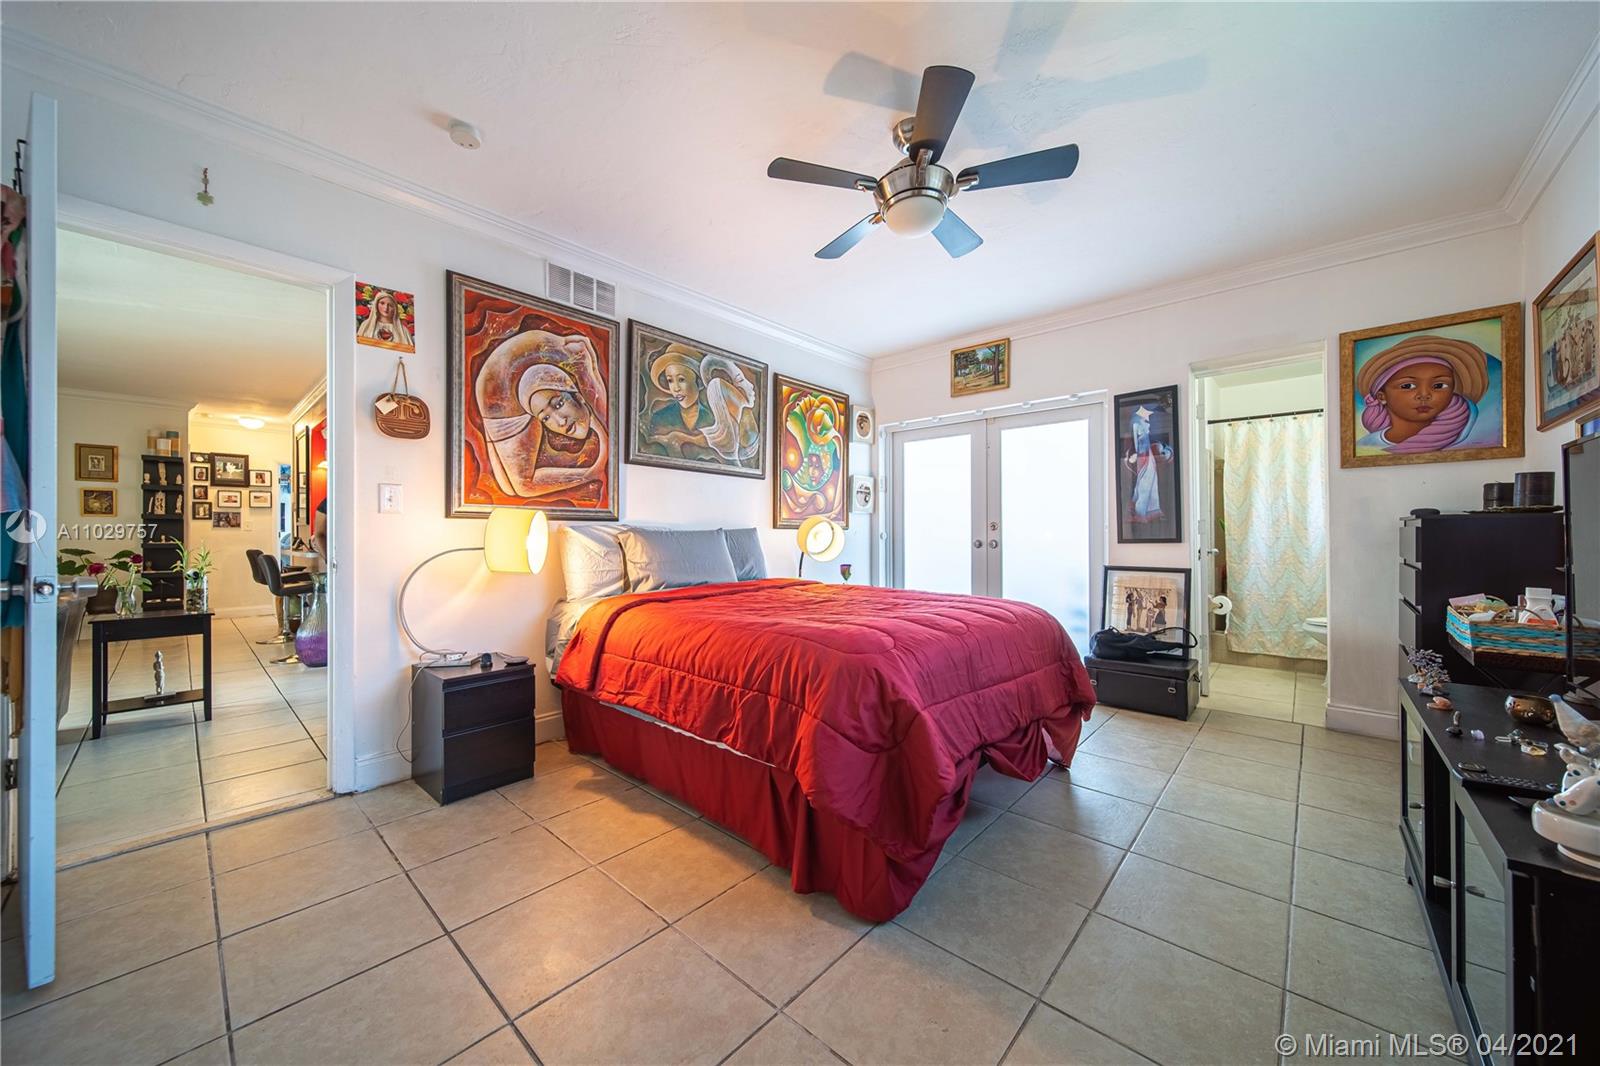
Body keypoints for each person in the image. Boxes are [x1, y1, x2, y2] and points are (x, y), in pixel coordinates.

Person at [475, 329, 610, 501]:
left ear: (579, 397)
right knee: (514, 486)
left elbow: (583, 349)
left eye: (559, 404)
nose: (560, 421)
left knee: (511, 486)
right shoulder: (501, 403)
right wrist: (592, 472)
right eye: (545, 418)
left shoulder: (577, 360)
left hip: (525, 363)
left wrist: (602, 438)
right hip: (497, 392)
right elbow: (525, 486)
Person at [1355, 335, 1490, 454]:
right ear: (1382, 397)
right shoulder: (1366, 446)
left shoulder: (1477, 440)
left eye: (1439, 386)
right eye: (1407, 386)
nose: (1424, 395)